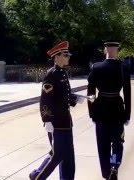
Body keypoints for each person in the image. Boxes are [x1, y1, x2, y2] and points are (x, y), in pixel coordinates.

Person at [29, 41, 84, 180]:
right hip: (56, 123)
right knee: (58, 154)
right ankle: (38, 177)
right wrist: (46, 120)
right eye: (65, 55)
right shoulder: (51, 74)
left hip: (66, 121)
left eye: (68, 54)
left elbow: (64, 96)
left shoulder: (63, 73)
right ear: (57, 56)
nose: (68, 57)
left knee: (68, 155)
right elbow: (45, 100)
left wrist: (75, 99)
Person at [87, 42, 131, 180]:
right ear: (117, 50)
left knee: (103, 145)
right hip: (117, 110)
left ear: (105, 50)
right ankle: (114, 166)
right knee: (117, 143)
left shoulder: (96, 67)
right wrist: (127, 113)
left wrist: (92, 112)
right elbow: (127, 93)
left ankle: (106, 173)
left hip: (100, 111)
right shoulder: (123, 67)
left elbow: (91, 93)